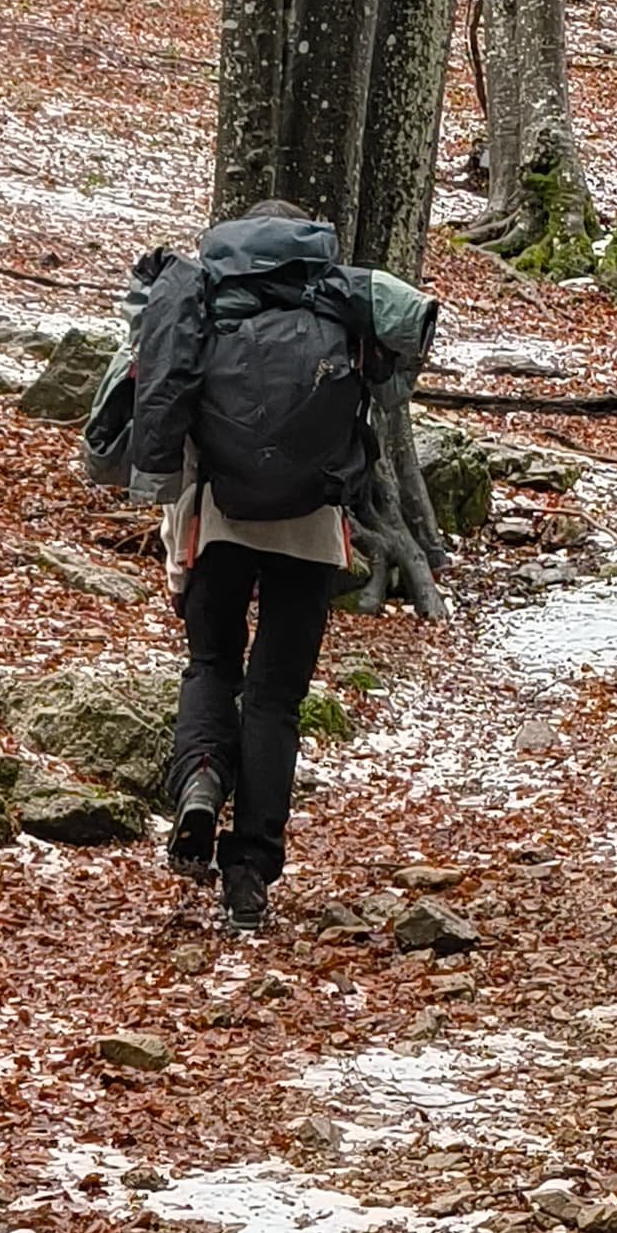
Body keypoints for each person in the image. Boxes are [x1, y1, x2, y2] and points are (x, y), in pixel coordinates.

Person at [119, 202, 432, 936]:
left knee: (211, 665)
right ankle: (249, 876)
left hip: (215, 519)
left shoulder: (199, 296)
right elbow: (389, 393)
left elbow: (157, 387)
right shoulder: (341, 300)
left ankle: (201, 778)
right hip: (312, 527)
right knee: (275, 699)